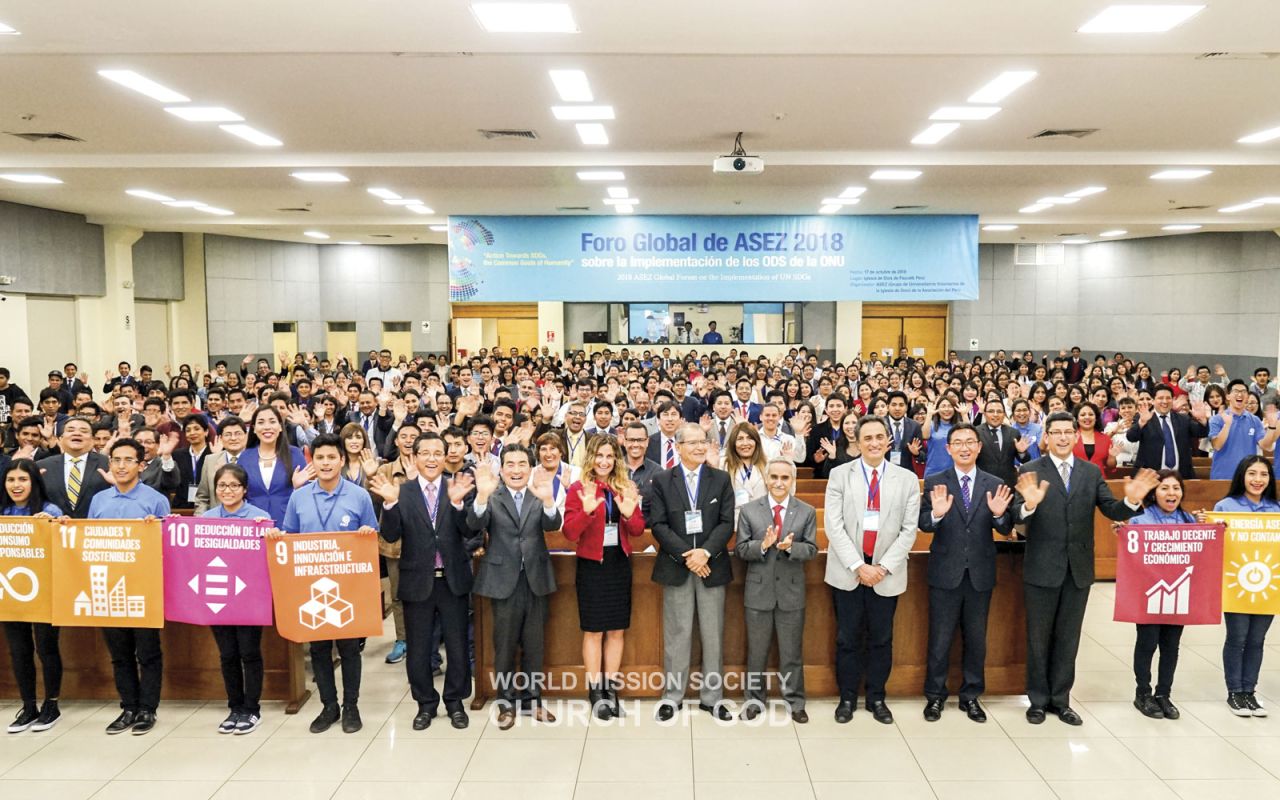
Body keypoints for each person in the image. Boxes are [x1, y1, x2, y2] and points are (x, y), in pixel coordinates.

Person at [1012, 411, 1158, 726]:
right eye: (1057, 432)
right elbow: (1014, 516)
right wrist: (1030, 505)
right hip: (1041, 567)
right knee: (1038, 639)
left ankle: (1060, 700)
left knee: (1068, 637)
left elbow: (1110, 508)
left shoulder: (1091, 473)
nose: (1063, 437)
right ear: (1046, 437)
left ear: (1077, 436)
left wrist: (1131, 502)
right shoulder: (1030, 470)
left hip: (1077, 568)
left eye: (1068, 432)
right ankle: (1037, 701)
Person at [372, 432, 482, 731]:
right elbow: (391, 536)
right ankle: (425, 703)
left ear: (445, 456)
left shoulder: (456, 486)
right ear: (415, 457)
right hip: (417, 580)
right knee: (419, 648)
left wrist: (459, 506)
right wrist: (390, 505)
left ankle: (455, 702)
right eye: (426, 453)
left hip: (452, 580)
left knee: (457, 646)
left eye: (437, 453)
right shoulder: (402, 492)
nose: (432, 458)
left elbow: (470, 530)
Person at [276, 433, 379, 734]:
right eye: (319, 458)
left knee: (349, 649)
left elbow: (373, 532)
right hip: (310, 587)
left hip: (347, 587)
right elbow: (290, 536)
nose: (325, 463)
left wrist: (364, 533)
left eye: (331, 457)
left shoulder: (358, 495)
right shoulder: (299, 496)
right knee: (319, 650)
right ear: (313, 461)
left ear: (342, 460)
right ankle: (328, 706)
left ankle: (351, 706)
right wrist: (276, 539)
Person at [824, 415, 920, 724]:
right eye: (868, 438)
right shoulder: (840, 475)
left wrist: (881, 567)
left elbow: (909, 530)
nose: (874, 443)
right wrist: (858, 565)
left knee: (881, 638)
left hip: (885, 574)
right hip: (848, 572)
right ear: (857, 441)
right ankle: (847, 697)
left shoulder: (905, 479)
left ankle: (877, 697)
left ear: (888, 441)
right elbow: (833, 525)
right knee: (847, 638)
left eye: (880, 437)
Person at [918, 424, 1014, 723]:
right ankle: (935, 697)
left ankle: (971, 696)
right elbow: (924, 523)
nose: (964, 447)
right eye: (957, 442)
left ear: (979, 447)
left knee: (976, 639)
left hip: (980, 573)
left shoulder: (994, 482)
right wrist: (936, 513)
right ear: (948, 448)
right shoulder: (935, 482)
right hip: (945, 572)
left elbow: (1006, 527)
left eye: (970, 442)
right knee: (940, 639)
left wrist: (999, 514)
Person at [467, 444, 561, 730]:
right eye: (510, 464)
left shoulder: (539, 492)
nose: (516, 469)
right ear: (502, 468)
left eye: (522, 464)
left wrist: (548, 501)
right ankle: (505, 702)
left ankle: (533, 700)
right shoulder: (491, 495)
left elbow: (553, 524)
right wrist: (481, 495)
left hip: (535, 579)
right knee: (505, 645)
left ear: (531, 468)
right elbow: (474, 523)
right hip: (502, 580)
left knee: (534, 645)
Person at [648, 422, 736, 721]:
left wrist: (705, 552)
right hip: (678, 566)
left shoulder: (721, 479)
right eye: (693, 442)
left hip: (712, 565)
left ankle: (712, 698)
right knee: (678, 634)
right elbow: (658, 524)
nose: (700, 447)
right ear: (678, 446)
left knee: (713, 635)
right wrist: (688, 555)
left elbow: (726, 523)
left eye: (704, 441)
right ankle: (673, 697)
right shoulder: (662, 480)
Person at [88, 437, 172, 735]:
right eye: (116, 460)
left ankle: (148, 708)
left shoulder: (155, 499)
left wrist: (157, 529)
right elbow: (88, 543)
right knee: (119, 653)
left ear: (141, 465)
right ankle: (128, 707)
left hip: (144, 587)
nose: (121, 466)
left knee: (147, 652)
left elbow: (170, 546)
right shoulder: (99, 500)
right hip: (108, 589)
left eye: (128, 460)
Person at [562, 435, 645, 719]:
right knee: (594, 630)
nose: (604, 461)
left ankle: (611, 690)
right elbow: (570, 533)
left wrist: (629, 514)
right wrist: (586, 512)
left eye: (610, 456)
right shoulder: (578, 489)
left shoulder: (625, 486)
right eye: (600, 456)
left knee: (617, 630)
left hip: (618, 563)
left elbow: (636, 530)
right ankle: (595, 691)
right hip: (591, 565)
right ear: (591, 458)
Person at [734, 458, 818, 722]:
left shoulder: (806, 511)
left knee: (792, 651)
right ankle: (754, 701)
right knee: (756, 651)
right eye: (775, 477)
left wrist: (791, 548)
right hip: (759, 592)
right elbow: (741, 549)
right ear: (767, 479)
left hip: (791, 593)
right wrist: (763, 545)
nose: (779, 483)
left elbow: (812, 549)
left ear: (792, 480)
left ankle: (795, 701)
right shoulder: (749, 510)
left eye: (785, 478)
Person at [1123, 469, 1206, 720]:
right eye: (1164, 488)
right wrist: (1123, 531)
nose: (1171, 493)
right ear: (1153, 493)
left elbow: (1204, 553)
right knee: (1147, 643)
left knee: (1171, 645)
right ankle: (1143, 693)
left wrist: (1208, 528)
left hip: (1178, 593)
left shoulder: (1189, 519)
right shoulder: (1140, 519)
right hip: (1148, 593)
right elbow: (1131, 551)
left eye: (1176, 488)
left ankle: (1164, 694)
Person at [199, 463, 272, 734]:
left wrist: (267, 533)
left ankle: (252, 709)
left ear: (244, 490)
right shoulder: (206, 519)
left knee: (249, 653)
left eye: (233, 486)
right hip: (218, 597)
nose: (227, 491)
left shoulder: (260, 518)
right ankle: (235, 707)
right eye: (222, 486)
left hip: (249, 599)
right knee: (227, 654)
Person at [1214, 455, 1280, 717]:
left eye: (1263, 475)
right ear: (1242, 476)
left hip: (1267, 584)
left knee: (1257, 639)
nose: (1257, 480)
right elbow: (1213, 545)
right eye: (1252, 473)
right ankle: (1234, 692)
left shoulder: (1275, 509)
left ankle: (1250, 691)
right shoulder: (1225, 506)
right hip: (1235, 583)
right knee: (1237, 637)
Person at [1, 459, 63, 733]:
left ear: (34, 482)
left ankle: (52, 704)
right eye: (11, 480)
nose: (16, 485)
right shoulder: (3, 512)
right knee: (19, 650)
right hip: (9, 594)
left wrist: (52, 525)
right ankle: (28, 706)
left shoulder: (49, 510)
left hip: (45, 592)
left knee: (46, 649)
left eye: (23, 480)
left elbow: (64, 547)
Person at [375, 424, 421, 666]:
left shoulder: (427, 467)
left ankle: (426, 640)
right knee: (397, 594)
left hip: (421, 541)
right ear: (396, 441)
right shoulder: (384, 469)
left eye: (414, 436)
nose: (408, 440)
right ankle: (402, 639)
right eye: (403, 436)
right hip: (394, 543)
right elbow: (371, 498)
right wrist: (370, 474)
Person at [242, 406, 310, 527]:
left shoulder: (294, 454)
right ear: (254, 428)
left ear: (280, 427)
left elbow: (307, 494)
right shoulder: (245, 457)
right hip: (253, 524)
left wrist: (297, 488)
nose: (267, 427)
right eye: (261, 422)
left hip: (287, 523)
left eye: (272, 422)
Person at [1125, 384, 1209, 478]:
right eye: (1160, 398)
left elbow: (1202, 432)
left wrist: (1203, 421)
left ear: (1172, 400)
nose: (1165, 401)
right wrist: (1141, 423)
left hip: (1181, 476)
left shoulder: (1183, 419)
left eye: (1168, 398)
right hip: (1150, 477)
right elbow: (1131, 437)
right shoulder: (1143, 418)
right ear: (1153, 401)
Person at [37, 416, 110, 518]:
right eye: (70, 430)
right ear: (60, 439)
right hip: (55, 529)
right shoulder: (43, 466)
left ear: (93, 440)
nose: (77, 433)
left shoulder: (108, 464)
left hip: (95, 529)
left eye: (84, 431)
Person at [1208, 380, 1279, 480]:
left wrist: (1272, 426)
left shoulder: (1254, 420)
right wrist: (1227, 425)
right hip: (1222, 476)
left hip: (1247, 478)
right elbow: (1217, 446)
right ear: (1228, 396)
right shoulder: (1217, 419)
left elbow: (1265, 446)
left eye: (1244, 391)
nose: (1240, 394)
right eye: (1236, 391)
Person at [975, 398, 1025, 488]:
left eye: (999, 411)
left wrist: (1022, 452)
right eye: (991, 411)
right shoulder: (976, 432)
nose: (995, 415)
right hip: (982, 484)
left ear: (1004, 414)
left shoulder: (1014, 432)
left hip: (1008, 484)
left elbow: (1024, 459)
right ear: (985, 414)